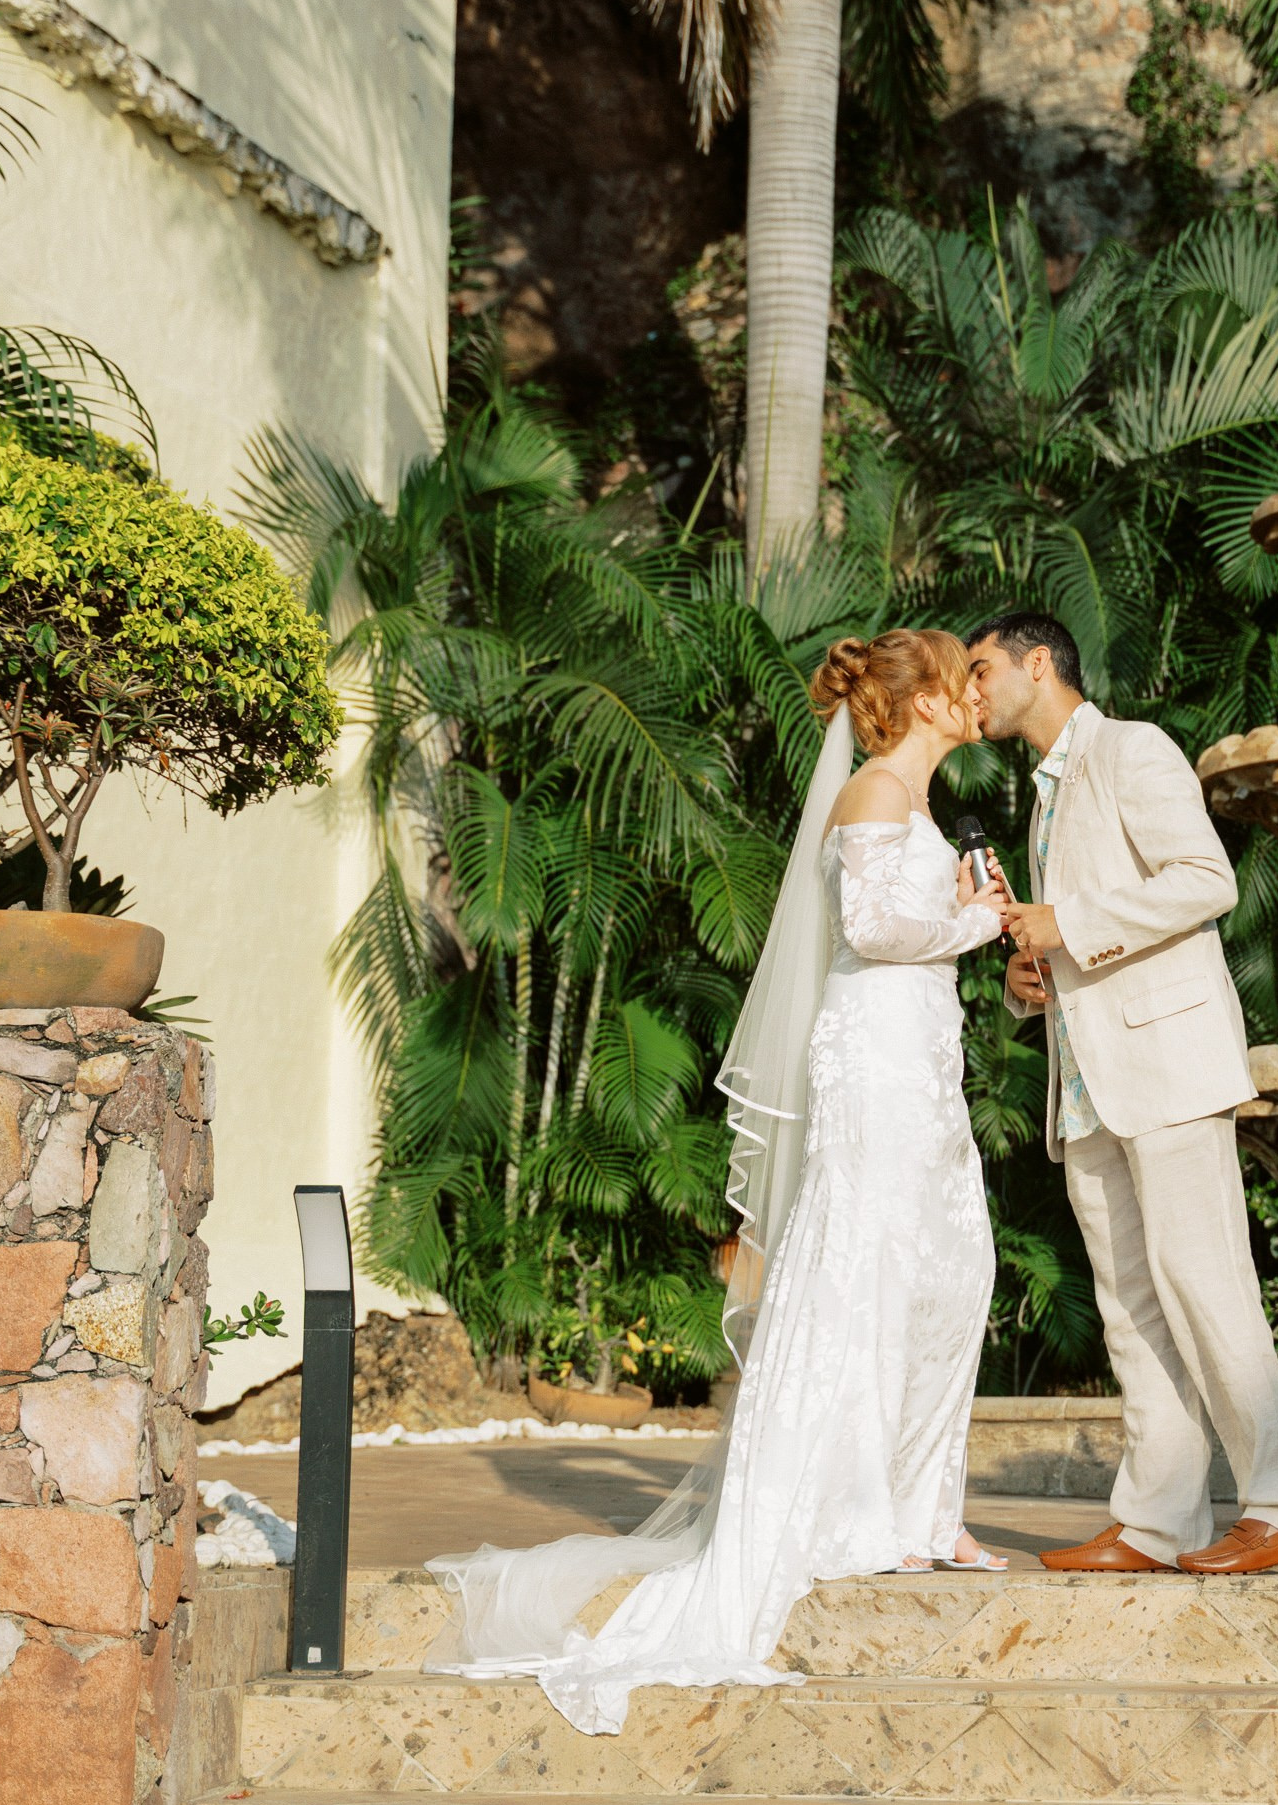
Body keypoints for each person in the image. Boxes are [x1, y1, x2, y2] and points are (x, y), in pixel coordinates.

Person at [423, 627, 1012, 1735]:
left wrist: (973, 917)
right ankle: (857, 1508)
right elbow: (877, 928)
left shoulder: (921, 807)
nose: (975, 693)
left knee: (947, 1267)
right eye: (957, 677)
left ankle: (922, 1505)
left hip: (919, 1057)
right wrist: (980, 920)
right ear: (919, 701)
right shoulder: (876, 795)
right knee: (871, 1267)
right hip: (875, 1059)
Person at [965, 609, 1278, 1578]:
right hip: (1087, 1088)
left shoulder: (1128, 749)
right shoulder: (1040, 791)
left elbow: (1204, 881)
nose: (971, 690)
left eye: (979, 669)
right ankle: (1155, 1522)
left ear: (1035, 664)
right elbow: (1064, 939)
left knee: (1205, 1284)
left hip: (1164, 1069)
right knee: (1130, 1308)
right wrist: (1023, 980)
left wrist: (1068, 922)